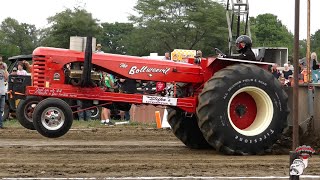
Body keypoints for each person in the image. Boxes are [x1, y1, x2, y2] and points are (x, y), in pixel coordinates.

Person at [0, 62, 8, 129]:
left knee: (1, 110)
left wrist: (5, 69)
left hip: (2, 93)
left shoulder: (3, 71)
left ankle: (1, 124)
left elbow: (7, 78)